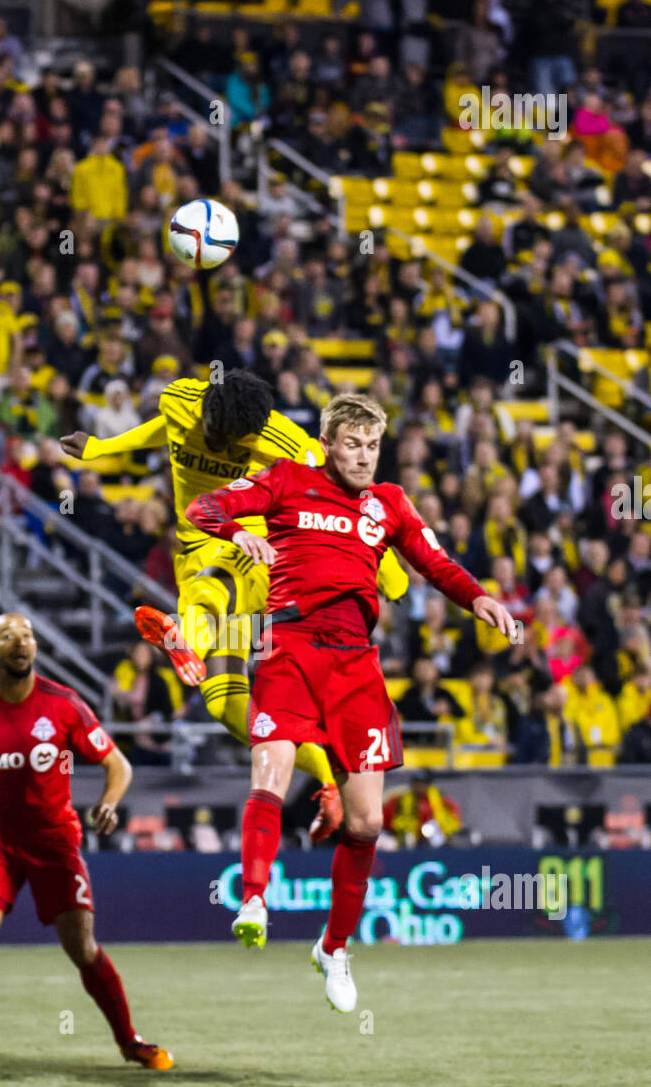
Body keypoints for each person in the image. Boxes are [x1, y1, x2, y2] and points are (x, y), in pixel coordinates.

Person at [185, 394, 517, 1012]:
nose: (363, 457)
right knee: (272, 771)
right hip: (289, 649)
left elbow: (434, 563)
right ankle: (253, 897)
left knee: (366, 822)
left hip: (355, 665)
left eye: (372, 446)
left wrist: (479, 600)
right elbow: (203, 507)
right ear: (329, 443)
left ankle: (333, 948)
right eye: (352, 445)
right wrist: (238, 532)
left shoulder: (389, 503)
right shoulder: (287, 480)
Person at [57, 369, 410, 843]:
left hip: (261, 552)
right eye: (217, 435)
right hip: (196, 548)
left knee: (218, 583)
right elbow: (164, 427)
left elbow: (346, 494)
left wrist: (385, 569)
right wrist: (102, 449)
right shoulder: (180, 399)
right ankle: (327, 778)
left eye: (235, 444)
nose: (222, 448)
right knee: (226, 706)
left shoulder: (286, 441)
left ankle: (185, 634)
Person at [0, 613, 172, 1070]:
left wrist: (109, 801)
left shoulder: (63, 704)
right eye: (8, 637)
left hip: (53, 840)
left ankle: (129, 1041)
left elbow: (118, 765)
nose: (20, 643)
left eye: (27, 635)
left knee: (81, 947)